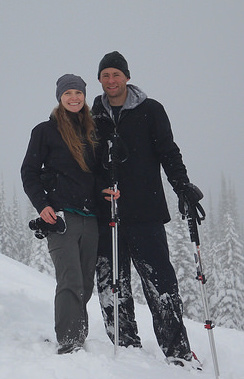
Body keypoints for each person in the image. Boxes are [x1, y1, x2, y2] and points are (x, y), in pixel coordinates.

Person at [92, 51, 203, 369]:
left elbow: (168, 151)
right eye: (105, 76)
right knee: (111, 283)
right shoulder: (94, 115)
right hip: (107, 214)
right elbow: (86, 160)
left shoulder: (151, 110)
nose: (111, 81)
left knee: (160, 284)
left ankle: (177, 352)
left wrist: (182, 185)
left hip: (145, 212)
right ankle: (125, 348)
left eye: (115, 74)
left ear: (127, 76)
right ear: (100, 80)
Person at [21, 74, 99, 355]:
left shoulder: (93, 132)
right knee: (70, 280)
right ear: (60, 97)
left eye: (78, 92)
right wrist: (43, 205)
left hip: (91, 218)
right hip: (61, 218)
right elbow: (29, 172)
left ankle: (78, 334)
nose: (74, 97)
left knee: (86, 282)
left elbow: (99, 173)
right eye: (68, 93)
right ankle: (69, 341)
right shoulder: (45, 131)